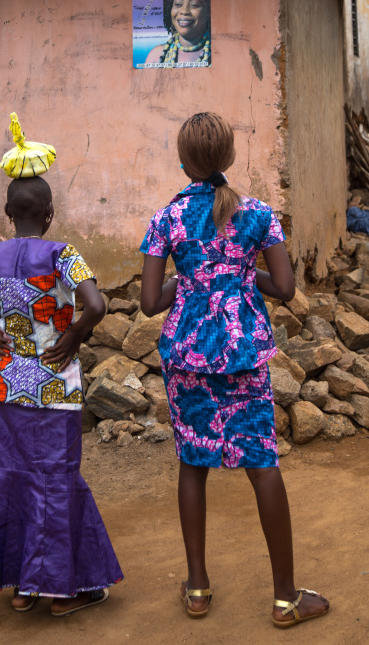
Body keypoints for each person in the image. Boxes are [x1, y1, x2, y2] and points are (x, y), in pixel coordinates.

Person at [0, 114, 123, 617]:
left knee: (13, 476)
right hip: (57, 386)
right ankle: (58, 592)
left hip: (10, 384)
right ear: (49, 214)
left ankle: (22, 588)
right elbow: (96, 306)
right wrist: (74, 335)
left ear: (8, 213)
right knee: (57, 478)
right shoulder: (62, 255)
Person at [139, 112, 329, 628]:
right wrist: (241, 275)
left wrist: (195, 281)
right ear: (229, 159)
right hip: (243, 354)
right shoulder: (258, 215)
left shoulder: (167, 220)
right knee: (262, 463)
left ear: (183, 162)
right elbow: (286, 289)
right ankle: (286, 599)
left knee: (192, 464)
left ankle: (197, 588)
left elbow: (150, 302)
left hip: (186, 354)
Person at [145, 0, 211, 66]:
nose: (184, 11)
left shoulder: (219, 54)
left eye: (194, 5)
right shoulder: (156, 56)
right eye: (178, 4)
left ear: (207, 11)